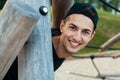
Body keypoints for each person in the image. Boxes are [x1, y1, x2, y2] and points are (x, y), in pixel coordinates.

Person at [3, 3, 98, 80]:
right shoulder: (37, 39)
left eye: (85, 32)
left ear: (91, 36)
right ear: (62, 26)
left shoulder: (59, 44)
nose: (77, 37)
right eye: (72, 28)